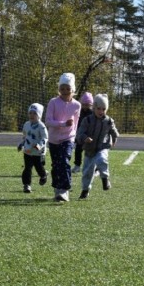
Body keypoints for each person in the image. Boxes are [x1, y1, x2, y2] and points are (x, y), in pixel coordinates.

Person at [45, 72, 81, 202]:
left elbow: (75, 124)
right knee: (56, 165)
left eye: (68, 89)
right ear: (59, 89)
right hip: (54, 139)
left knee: (64, 161)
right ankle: (57, 188)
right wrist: (63, 124)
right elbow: (48, 121)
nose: (65, 91)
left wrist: (73, 137)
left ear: (73, 89)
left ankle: (65, 190)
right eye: (62, 88)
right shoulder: (53, 102)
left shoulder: (77, 105)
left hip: (68, 139)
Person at [76, 94, 119, 199]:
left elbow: (114, 132)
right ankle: (85, 190)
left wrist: (114, 139)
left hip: (102, 147)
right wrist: (85, 138)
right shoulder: (87, 120)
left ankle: (105, 179)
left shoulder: (108, 121)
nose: (101, 111)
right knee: (87, 172)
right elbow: (79, 134)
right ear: (94, 108)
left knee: (102, 159)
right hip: (89, 150)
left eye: (104, 109)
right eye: (99, 109)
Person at [17, 103, 48, 193]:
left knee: (39, 167)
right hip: (27, 151)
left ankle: (43, 175)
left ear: (39, 115)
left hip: (38, 152)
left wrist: (39, 145)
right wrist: (21, 144)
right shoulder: (26, 124)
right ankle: (27, 185)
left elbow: (45, 138)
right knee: (27, 168)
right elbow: (25, 136)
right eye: (30, 113)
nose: (32, 115)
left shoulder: (41, 126)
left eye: (34, 113)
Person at [71, 92, 94, 174]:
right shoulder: (79, 112)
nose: (85, 106)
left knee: (91, 152)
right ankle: (77, 165)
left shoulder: (92, 113)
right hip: (81, 135)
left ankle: (94, 168)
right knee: (78, 150)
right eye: (84, 104)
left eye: (87, 104)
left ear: (91, 104)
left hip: (90, 136)